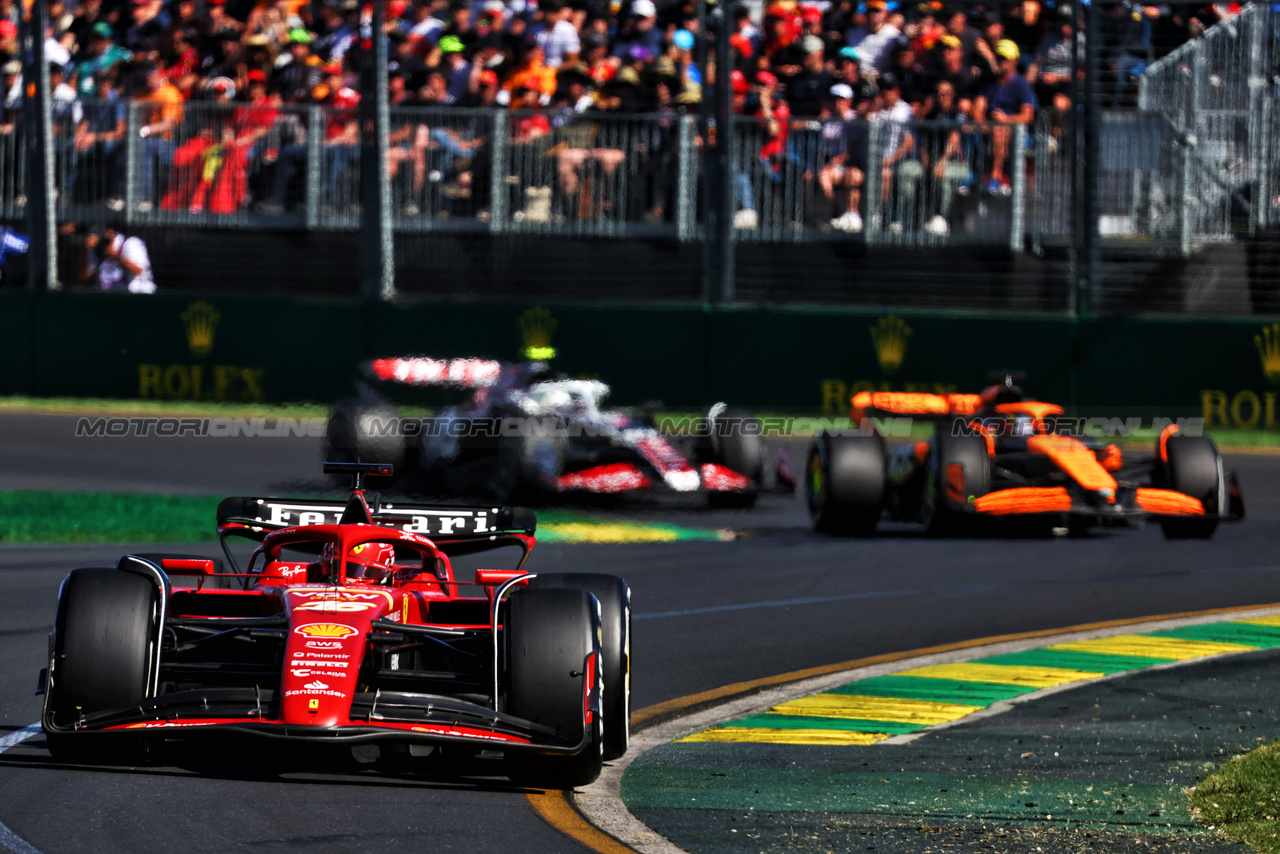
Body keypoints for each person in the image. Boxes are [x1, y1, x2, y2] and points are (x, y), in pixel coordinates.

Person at [972, 39, 1034, 195]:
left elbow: (1027, 115)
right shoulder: (988, 81)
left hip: (1011, 128)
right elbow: (978, 106)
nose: (1001, 62)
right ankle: (970, 176)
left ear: (1014, 61)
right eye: (999, 58)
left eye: (1005, 59)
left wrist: (1006, 119)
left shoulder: (1021, 84)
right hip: (990, 124)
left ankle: (995, 175)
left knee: (1000, 130)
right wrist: (983, 123)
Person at [83, 229, 156, 294]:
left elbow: (138, 270)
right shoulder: (97, 249)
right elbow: (83, 277)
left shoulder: (131, 243)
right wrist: (87, 249)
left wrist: (116, 256)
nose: (106, 234)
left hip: (135, 294)